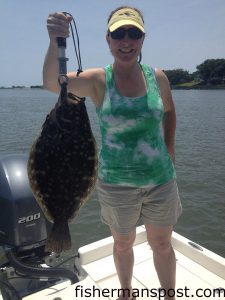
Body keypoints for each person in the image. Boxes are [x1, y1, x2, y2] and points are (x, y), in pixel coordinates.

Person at [44, 6, 182, 300]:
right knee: (122, 244)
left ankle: (169, 295)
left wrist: (169, 148)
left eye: (134, 33)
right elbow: (51, 83)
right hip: (117, 185)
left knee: (162, 245)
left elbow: (169, 112)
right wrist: (55, 40)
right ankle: (126, 293)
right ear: (108, 39)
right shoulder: (97, 80)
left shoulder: (158, 78)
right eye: (118, 33)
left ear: (143, 39)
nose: (126, 40)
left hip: (161, 181)